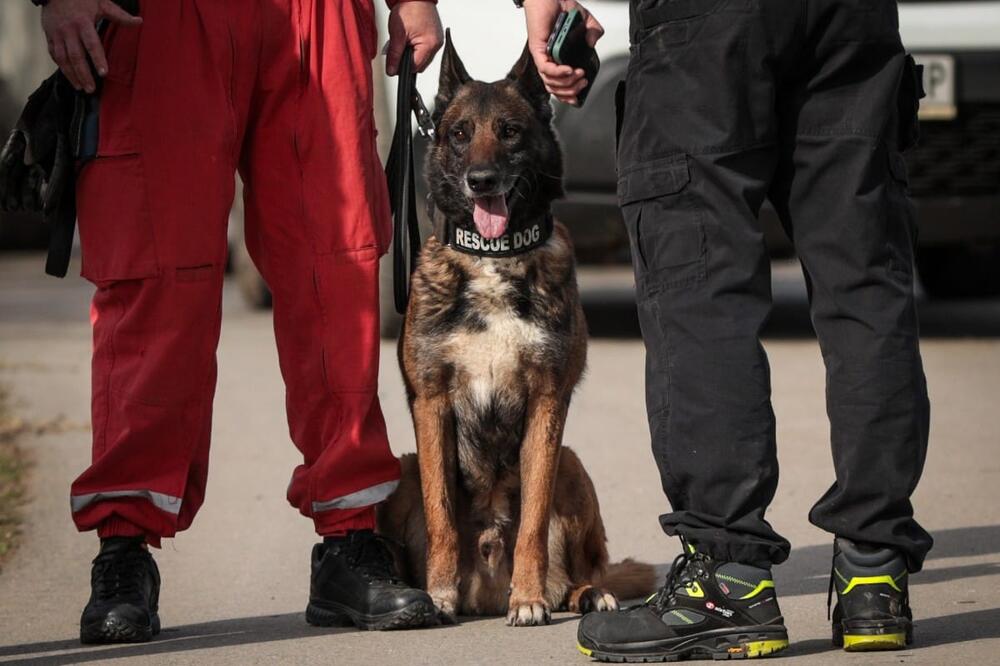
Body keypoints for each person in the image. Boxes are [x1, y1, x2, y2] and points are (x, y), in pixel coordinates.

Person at [521, 0, 932, 659]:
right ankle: (874, 573)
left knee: (700, 287)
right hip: (851, 19)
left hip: (706, 28)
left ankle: (727, 580)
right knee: (864, 283)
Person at [33, 0, 443, 643]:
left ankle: (351, 542)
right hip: (159, 20)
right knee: (155, 281)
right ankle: (124, 549)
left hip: (317, 14)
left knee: (335, 269)